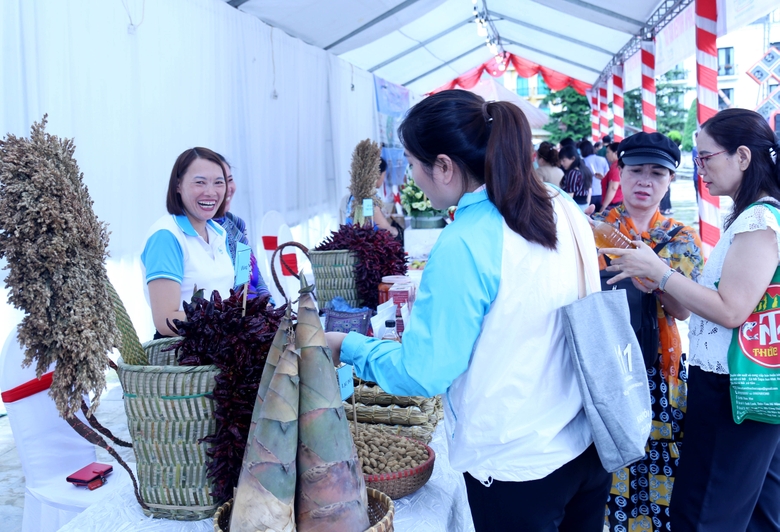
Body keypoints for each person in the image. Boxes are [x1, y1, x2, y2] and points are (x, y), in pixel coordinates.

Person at [326, 90, 610, 531]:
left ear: (443, 166)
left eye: (412, 163)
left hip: (518, 464)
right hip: (584, 446)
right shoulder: (559, 204)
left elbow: (424, 372)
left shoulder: (464, 241)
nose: (410, 178)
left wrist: (348, 345)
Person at [601, 108, 780, 531]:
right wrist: (660, 279)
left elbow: (731, 310)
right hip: (750, 379)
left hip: (732, 384)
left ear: (742, 157)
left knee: (704, 511)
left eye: (705, 158)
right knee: (755, 508)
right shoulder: (755, 214)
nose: (700, 170)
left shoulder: (757, 219)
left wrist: (660, 272)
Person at [594, 132, 704, 532]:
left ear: (670, 180)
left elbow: (684, 311)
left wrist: (655, 278)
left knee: (662, 466)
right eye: (636, 170)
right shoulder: (592, 230)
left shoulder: (682, 238)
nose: (645, 181)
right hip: (605, 369)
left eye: (657, 173)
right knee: (608, 468)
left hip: (661, 370)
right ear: (619, 173)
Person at [141, 147, 235, 338]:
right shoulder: (166, 236)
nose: (210, 192)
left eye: (218, 182)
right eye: (200, 183)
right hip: (184, 357)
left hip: (220, 347)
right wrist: (227, 320)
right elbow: (166, 321)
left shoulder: (219, 232)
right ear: (178, 186)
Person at [213, 155, 272, 302]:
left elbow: (248, 275)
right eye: (219, 183)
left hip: (254, 313)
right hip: (231, 318)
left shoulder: (235, 225)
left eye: (230, 180)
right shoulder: (202, 231)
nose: (228, 188)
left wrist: (267, 304)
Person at [343, 158, 400, 238]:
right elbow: (384, 228)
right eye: (384, 174)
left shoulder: (356, 194)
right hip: (366, 244)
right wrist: (397, 231)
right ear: (378, 175)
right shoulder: (368, 196)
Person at [581, 140, 609, 212]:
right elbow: (606, 175)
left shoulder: (583, 162)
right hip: (602, 193)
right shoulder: (603, 159)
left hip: (590, 194)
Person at [599, 142, 623, 213]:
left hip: (613, 204)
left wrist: (604, 206)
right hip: (617, 202)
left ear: (615, 153)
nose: (606, 155)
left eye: (608, 152)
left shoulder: (616, 167)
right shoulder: (619, 165)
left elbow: (613, 187)